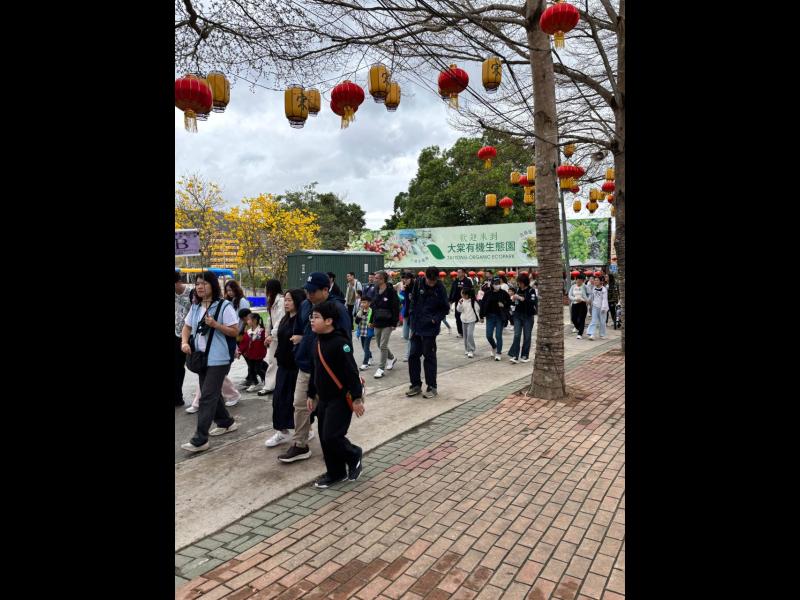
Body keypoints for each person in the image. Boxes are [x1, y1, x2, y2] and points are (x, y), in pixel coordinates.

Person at [278, 272, 352, 464]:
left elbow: (345, 342)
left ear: (326, 290)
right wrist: (300, 344)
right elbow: (300, 329)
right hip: (306, 366)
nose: (309, 294)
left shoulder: (337, 309)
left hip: (327, 369)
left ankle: (336, 449)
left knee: (326, 412)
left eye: (313, 291)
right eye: (307, 290)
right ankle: (300, 444)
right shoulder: (305, 305)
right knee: (300, 405)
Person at [180, 271, 240, 453]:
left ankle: (200, 439)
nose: (199, 287)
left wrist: (216, 325)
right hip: (201, 358)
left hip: (219, 358)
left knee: (207, 396)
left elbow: (234, 331)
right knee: (212, 394)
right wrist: (184, 342)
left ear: (213, 286)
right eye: (197, 284)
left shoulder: (224, 306)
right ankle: (226, 422)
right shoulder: (196, 306)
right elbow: (187, 327)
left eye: (203, 283)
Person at [307, 300, 365, 488]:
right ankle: (336, 473)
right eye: (311, 317)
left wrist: (356, 398)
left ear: (329, 321)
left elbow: (351, 372)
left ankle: (354, 454)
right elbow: (315, 370)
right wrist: (311, 393)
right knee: (325, 438)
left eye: (316, 317)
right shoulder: (317, 341)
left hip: (340, 399)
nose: (312, 320)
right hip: (324, 399)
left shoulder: (340, 343)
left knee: (332, 436)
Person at [264, 289, 305, 448]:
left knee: (296, 403)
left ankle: (304, 430)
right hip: (283, 366)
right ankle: (282, 431)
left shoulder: (302, 320)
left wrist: (301, 339)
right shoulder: (285, 319)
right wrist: (269, 337)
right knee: (279, 400)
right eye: (285, 300)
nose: (286, 303)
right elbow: (277, 334)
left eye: (289, 300)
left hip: (297, 367)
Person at [406, 267, 450, 398]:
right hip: (416, 326)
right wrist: (412, 315)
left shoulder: (440, 288)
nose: (431, 283)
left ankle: (432, 387)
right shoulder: (418, 283)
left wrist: (434, 319)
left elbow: (445, 308)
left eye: (433, 281)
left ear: (437, 278)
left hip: (430, 329)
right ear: (425, 277)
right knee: (413, 355)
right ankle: (415, 385)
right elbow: (413, 300)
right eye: (429, 280)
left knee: (429, 356)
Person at [370, 270, 400, 379]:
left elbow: (396, 307)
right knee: (379, 344)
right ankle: (391, 358)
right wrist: (371, 320)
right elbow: (373, 306)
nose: (374, 279)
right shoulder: (375, 289)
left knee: (383, 345)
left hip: (388, 322)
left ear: (383, 279)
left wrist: (394, 323)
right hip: (377, 321)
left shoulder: (391, 291)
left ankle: (381, 368)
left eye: (377, 278)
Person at [259, 280, 285, 396]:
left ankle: (274, 385)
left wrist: (272, 335)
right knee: (272, 361)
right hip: (275, 336)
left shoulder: (281, 301)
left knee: (278, 361)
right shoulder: (271, 300)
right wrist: (267, 335)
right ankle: (270, 385)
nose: (265, 289)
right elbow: (270, 320)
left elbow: (281, 320)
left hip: (281, 335)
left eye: (266, 287)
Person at [507, 272, 538, 363]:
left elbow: (532, 302)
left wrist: (521, 299)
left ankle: (525, 355)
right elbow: (515, 303)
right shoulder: (517, 290)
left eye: (520, 282)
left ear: (524, 282)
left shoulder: (531, 291)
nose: (519, 284)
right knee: (517, 335)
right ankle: (515, 355)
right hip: (517, 315)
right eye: (518, 282)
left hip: (528, 316)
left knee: (527, 336)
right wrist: (513, 299)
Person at [480, 276, 512, 360]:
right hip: (490, 316)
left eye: (498, 283)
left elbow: (510, 302)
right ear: (492, 284)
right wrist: (481, 316)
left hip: (500, 317)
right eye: (495, 283)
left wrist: (503, 304)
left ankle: (498, 352)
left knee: (498, 335)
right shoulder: (488, 293)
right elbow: (482, 304)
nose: (497, 285)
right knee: (489, 335)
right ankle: (494, 346)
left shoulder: (504, 293)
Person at [175, 272, 193, 407]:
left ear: (178, 282)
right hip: (175, 334)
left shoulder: (191, 294)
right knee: (176, 366)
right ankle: (177, 397)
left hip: (188, 336)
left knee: (196, 366)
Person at [238, 312, 268, 392]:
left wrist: (264, 349)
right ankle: (255, 383)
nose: (247, 321)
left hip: (258, 355)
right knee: (251, 369)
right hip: (249, 355)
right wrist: (240, 351)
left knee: (258, 369)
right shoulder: (248, 332)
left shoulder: (261, 331)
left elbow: (265, 343)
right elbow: (244, 343)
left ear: (254, 320)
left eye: (248, 319)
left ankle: (266, 381)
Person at [449, 268, 473, 339]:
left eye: (459, 272)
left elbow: (471, 291)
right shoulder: (455, 281)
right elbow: (452, 290)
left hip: (466, 302)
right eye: (457, 272)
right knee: (457, 317)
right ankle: (460, 332)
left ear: (463, 273)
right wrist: (450, 300)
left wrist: (471, 299)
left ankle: (467, 331)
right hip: (458, 302)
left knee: (466, 317)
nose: (458, 273)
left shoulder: (467, 281)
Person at [456, 287, 480, 358]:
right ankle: (466, 349)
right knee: (465, 336)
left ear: (467, 295)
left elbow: (478, 310)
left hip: (471, 320)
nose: (462, 295)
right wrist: (460, 304)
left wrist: (480, 318)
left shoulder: (473, 301)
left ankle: (471, 350)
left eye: (463, 294)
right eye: (462, 293)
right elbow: (459, 310)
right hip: (464, 320)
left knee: (470, 335)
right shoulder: (461, 300)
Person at [586, 276, 609, 340]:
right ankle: (591, 334)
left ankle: (602, 334)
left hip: (602, 308)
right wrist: (588, 301)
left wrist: (603, 308)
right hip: (595, 307)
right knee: (593, 320)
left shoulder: (604, 289)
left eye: (597, 280)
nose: (595, 281)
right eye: (595, 280)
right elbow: (591, 296)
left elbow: (604, 299)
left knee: (602, 322)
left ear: (601, 281)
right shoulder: (594, 288)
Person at [354, 296, 374, 370]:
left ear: (369, 303)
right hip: (362, 332)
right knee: (364, 347)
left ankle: (365, 363)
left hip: (368, 332)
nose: (362, 304)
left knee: (366, 347)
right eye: (362, 302)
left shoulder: (372, 311)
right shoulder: (360, 311)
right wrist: (359, 315)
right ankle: (370, 357)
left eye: (364, 302)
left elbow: (373, 321)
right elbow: (356, 322)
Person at [569, 274, 591, 339]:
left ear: (583, 281)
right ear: (576, 280)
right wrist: (575, 299)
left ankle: (580, 334)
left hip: (583, 304)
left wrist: (587, 300)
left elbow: (590, 294)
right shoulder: (573, 286)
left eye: (580, 280)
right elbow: (570, 295)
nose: (578, 281)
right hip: (575, 304)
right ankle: (579, 328)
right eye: (577, 280)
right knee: (573, 318)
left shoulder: (585, 287)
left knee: (581, 318)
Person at [400, 271, 414, 361]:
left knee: (410, 336)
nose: (405, 280)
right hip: (406, 314)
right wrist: (402, 291)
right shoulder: (404, 288)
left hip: (413, 315)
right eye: (404, 278)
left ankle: (408, 354)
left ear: (411, 279)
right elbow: (401, 300)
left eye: (407, 278)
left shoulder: (415, 287)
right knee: (405, 335)